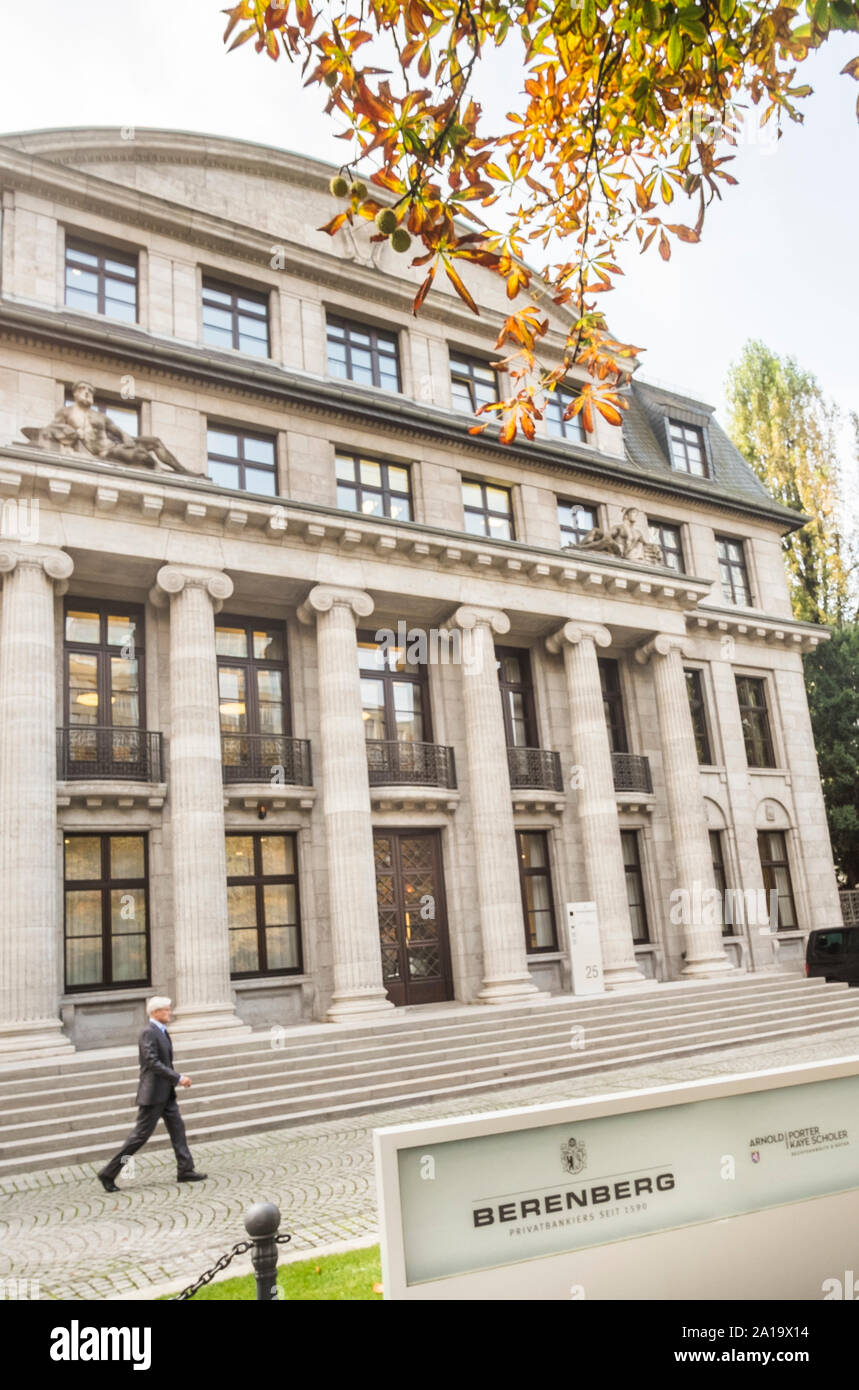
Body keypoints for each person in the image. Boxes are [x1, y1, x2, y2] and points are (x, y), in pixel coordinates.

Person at [97, 996, 207, 1191]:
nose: (169, 1013)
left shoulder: (162, 1032)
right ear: (155, 1013)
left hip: (166, 1094)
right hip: (153, 1095)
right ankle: (109, 1172)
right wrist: (178, 1078)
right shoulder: (148, 1032)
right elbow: (151, 1062)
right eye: (166, 1010)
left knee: (178, 1130)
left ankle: (185, 1169)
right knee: (138, 1138)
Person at [22, 380, 193, 473]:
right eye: (83, 389)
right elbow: (51, 430)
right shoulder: (67, 412)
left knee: (154, 441)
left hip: (115, 445)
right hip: (105, 452)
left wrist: (127, 439)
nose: (87, 392)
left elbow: (118, 431)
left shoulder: (100, 416)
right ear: (75, 393)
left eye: (90, 390)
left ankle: (181, 470)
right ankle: (149, 465)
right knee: (143, 457)